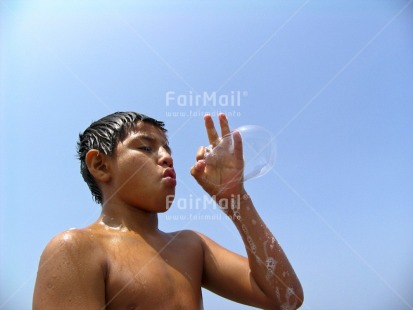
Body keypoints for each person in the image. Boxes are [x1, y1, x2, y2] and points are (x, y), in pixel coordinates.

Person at [33, 111, 303, 309]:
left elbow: (286, 296)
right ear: (101, 166)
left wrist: (236, 199)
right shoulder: (76, 248)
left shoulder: (191, 246)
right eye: (146, 147)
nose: (166, 156)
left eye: (166, 148)